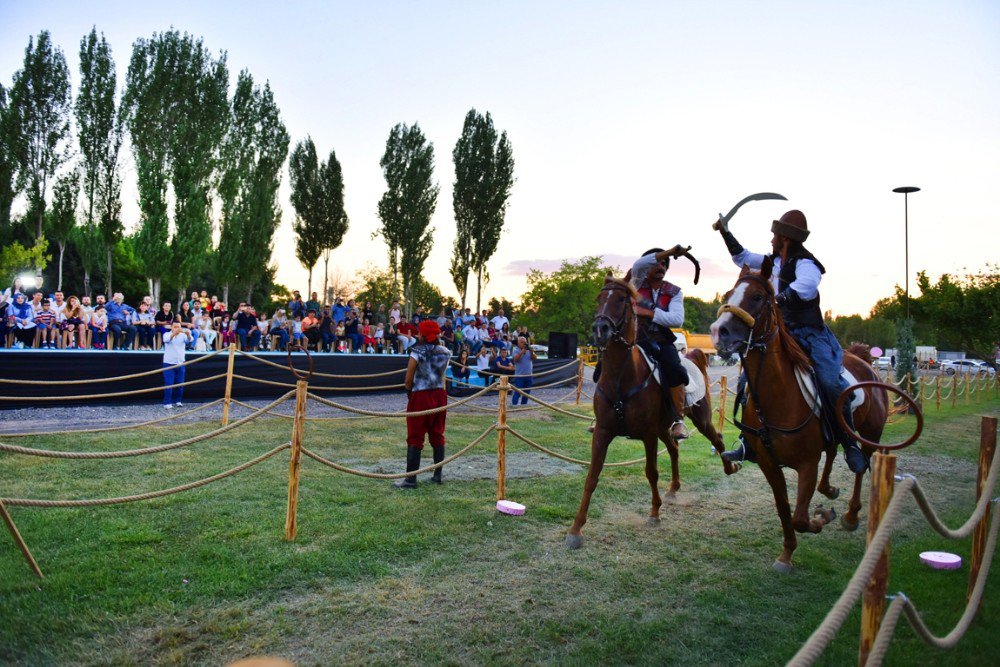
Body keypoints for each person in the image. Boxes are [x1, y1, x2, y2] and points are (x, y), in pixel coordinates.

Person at [716, 209, 867, 473]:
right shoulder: (770, 260)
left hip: (811, 334)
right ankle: (747, 441)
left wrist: (778, 300)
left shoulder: (806, 264)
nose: (771, 238)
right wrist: (725, 232)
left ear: (785, 238)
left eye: (775, 234)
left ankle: (849, 442)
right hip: (780, 332)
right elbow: (741, 256)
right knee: (747, 380)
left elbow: (806, 287)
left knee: (830, 382)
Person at [396, 320, 451, 488]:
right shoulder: (446, 352)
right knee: (437, 433)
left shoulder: (417, 351)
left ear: (423, 335)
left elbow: (408, 379)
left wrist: (408, 392)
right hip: (439, 394)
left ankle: (411, 479)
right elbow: (442, 375)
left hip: (421, 394)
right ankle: (437, 475)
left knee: (415, 433)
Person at [162, 320, 192, 408]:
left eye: (178, 327)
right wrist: (174, 333)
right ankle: (167, 402)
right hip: (168, 363)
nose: (177, 328)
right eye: (175, 327)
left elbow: (189, 340)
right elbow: (167, 340)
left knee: (180, 384)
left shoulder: (183, 335)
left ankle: (178, 400)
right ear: (171, 327)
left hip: (180, 362)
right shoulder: (166, 334)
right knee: (169, 383)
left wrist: (188, 334)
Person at [511, 336, 537, 405]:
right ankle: (514, 406)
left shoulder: (529, 350)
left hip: (529, 375)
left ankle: (523, 405)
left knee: (526, 393)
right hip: (520, 376)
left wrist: (532, 352)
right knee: (518, 392)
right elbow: (515, 360)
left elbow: (535, 358)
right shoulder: (515, 350)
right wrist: (522, 352)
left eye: (525, 342)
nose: (523, 344)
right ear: (518, 343)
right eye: (521, 342)